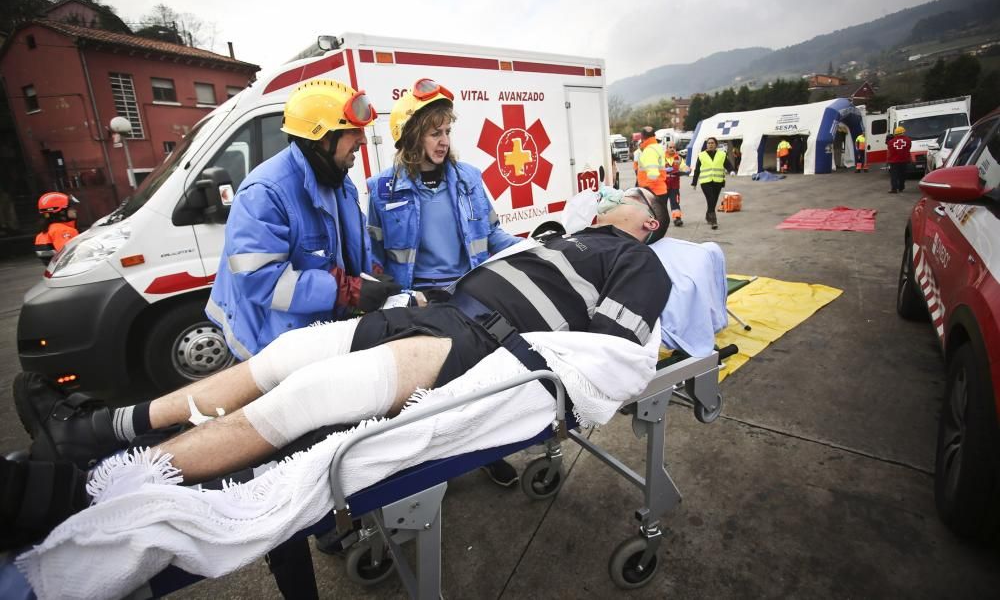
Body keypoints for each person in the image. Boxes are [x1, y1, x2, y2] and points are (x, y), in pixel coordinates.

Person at [3, 187, 672, 550]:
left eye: (631, 195)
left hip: (478, 342)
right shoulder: (559, 239)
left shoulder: (639, 261)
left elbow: (608, 347)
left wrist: (527, 383)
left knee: (305, 398)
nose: (617, 192)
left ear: (643, 223)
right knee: (281, 358)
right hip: (436, 310)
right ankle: (97, 429)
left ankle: (78, 492)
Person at [366, 78, 521, 487]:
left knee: (487, 381)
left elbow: (494, 234)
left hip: (473, 292)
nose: (444, 140)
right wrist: (394, 298)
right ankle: (433, 468)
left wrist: (530, 247)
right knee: (429, 389)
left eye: (447, 131)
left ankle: (492, 451)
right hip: (420, 301)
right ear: (411, 136)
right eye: (435, 132)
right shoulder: (381, 190)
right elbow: (375, 259)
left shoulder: (470, 177)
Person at [206, 79, 401, 361]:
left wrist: (371, 272)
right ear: (321, 137)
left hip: (317, 336)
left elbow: (351, 245)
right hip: (269, 346)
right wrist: (348, 291)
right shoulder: (265, 192)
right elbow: (261, 281)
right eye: (351, 131)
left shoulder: (339, 184)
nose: (362, 139)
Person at [690, 137, 734, 230]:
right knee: (710, 199)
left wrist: (731, 171)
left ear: (716, 145)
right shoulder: (701, 155)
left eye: (712, 143)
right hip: (705, 182)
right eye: (708, 143)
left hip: (718, 181)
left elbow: (727, 164)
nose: (710, 144)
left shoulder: (722, 154)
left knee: (713, 201)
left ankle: (708, 215)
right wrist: (694, 182)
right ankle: (713, 221)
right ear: (706, 145)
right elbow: (697, 169)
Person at [33, 192, 79, 265]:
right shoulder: (63, 231)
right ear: (61, 212)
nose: (75, 210)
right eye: (71, 208)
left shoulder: (46, 231)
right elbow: (73, 257)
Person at [636, 126, 667, 205]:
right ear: (654, 136)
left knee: (654, 217)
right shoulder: (657, 148)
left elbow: (653, 174)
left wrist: (646, 190)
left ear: (642, 137)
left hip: (652, 193)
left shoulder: (649, 151)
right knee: (661, 216)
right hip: (660, 190)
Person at [663, 144, 687, 227]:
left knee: (675, 203)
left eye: (674, 148)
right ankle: (662, 220)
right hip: (663, 185)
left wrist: (687, 169)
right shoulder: (661, 158)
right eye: (670, 147)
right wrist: (664, 170)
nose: (672, 149)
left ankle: (677, 218)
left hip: (674, 185)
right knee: (662, 204)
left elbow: (684, 167)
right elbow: (656, 169)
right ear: (667, 148)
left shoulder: (679, 158)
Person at [886, 126, 912, 194]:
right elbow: (908, 148)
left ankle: (894, 189)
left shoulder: (891, 142)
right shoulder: (908, 140)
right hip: (904, 160)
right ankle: (901, 187)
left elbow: (889, 149)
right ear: (903, 132)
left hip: (894, 161)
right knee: (902, 175)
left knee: (894, 175)